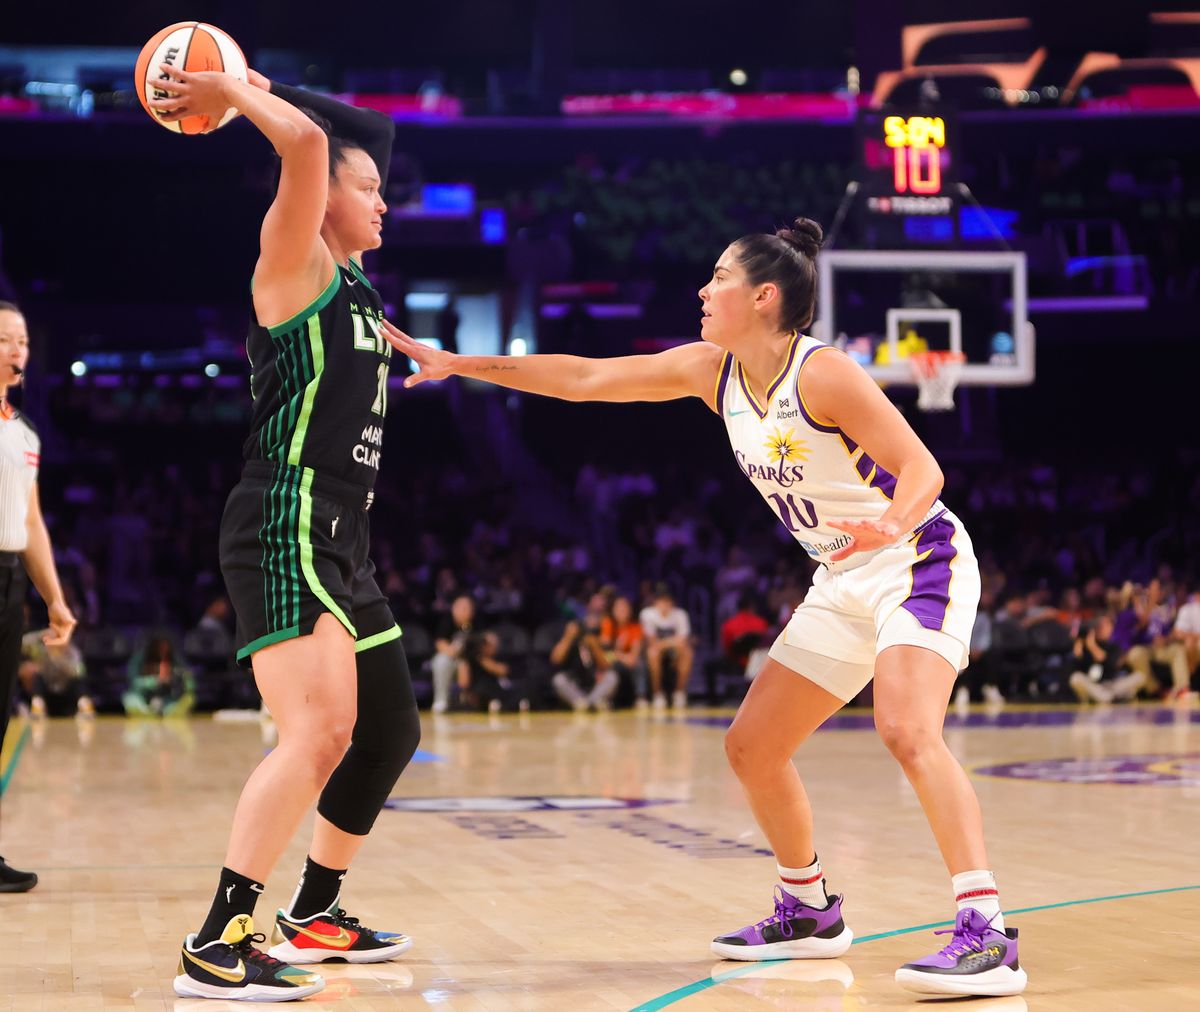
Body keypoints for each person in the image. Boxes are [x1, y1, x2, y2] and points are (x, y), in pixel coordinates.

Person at [383, 217, 1026, 997]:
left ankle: (986, 929)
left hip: (918, 559)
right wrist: (462, 363)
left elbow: (922, 468)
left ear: (763, 296)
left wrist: (889, 523)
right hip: (841, 575)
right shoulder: (709, 371)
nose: (702, 287)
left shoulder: (823, 374)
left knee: (907, 729)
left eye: (718, 275)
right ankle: (808, 908)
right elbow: (585, 378)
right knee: (753, 748)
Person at [149, 63, 419, 1000]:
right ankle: (218, 940)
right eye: (369, 187)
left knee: (387, 728)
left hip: (345, 536)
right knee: (317, 732)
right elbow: (306, 143)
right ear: (322, 197)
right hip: (287, 515)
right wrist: (229, 81)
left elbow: (353, 129)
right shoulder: (293, 260)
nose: (384, 203)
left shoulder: (360, 293)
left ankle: (313, 913)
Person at [0, 299, 78, 893]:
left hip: (8, 580)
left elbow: (32, 522)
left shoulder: (24, 434)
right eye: (6, 338)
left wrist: (53, 597)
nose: (17, 349)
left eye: (22, 340)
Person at [639, 587, 695, 710]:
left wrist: (665, 643)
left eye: (667, 601)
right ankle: (658, 693)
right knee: (653, 653)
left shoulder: (680, 614)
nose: (664, 604)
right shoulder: (647, 614)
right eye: (661, 601)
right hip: (656, 651)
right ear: (655, 602)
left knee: (687, 652)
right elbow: (652, 642)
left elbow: (683, 640)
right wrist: (673, 642)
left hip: (674, 651)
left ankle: (679, 693)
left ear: (672, 602)